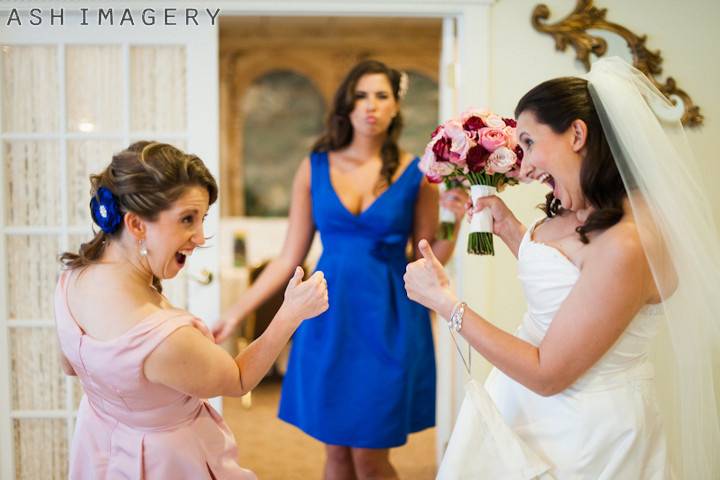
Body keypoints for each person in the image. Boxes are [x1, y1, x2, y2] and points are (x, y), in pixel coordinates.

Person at [404, 57, 720, 478]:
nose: (526, 165)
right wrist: (515, 233)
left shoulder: (630, 241)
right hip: (533, 413)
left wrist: (446, 304)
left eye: (530, 142)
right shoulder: (595, 214)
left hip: (585, 437)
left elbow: (547, 373)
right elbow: (577, 289)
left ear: (576, 133)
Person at [213, 59, 467, 479]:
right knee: (335, 457)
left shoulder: (416, 173)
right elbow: (287, 258)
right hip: (328, 318)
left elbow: (427, 255)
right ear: (346, 107)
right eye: (361, 96)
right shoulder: (314, 167)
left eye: (381, 96)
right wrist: (236, 313)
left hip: (391, 320)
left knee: (370, 459)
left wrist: (453, 220)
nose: (370, 106)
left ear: (394, 107)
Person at [55, 141, 329, 479]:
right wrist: (290, 315)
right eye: (187, 219)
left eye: (201, 219)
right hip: (166, 462)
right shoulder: (163, 336)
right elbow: (239, 380)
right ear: (137, 224)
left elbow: (70, 364)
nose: (199, 237)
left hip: (100, 452)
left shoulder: (71, 281)